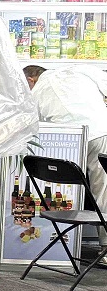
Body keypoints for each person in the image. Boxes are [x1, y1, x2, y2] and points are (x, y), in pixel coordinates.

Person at [22, 64, 107, 232]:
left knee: (67, 186)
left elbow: (32, 125)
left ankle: (65, 236)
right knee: (103, 189)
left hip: (68, 141)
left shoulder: (37, 91)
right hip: (100, 132)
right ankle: (105, 242)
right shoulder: (78, 70)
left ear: (31, 80)